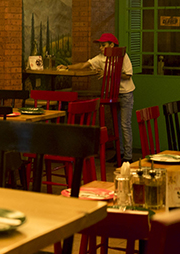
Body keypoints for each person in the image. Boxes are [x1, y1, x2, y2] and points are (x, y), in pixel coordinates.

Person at [57, 33, 135, 164]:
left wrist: (108, 73)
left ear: (111, 45)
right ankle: (119, 153)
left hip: (126, 93)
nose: (100, 48)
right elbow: (84, 65)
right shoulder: (101, 58)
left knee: (124, 124)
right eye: (100, 46)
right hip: (113, 94)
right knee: (117, 125)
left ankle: (128, 156)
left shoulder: (123, 56)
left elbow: (127, 75)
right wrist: (67, 67)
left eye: (103, 45)